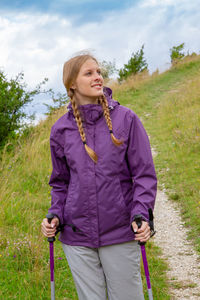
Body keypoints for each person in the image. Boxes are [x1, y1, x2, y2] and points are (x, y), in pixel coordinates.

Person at [41, 53, 157, 300]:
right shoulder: (60, 130)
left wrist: (141, 212)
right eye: (89, 73)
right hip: (77, 236)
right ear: (72, 83)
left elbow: (144, 175)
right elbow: (60, 183)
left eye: (98, 72)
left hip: (120, 232)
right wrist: (55, 214)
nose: (98, 77)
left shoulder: (126, 119)